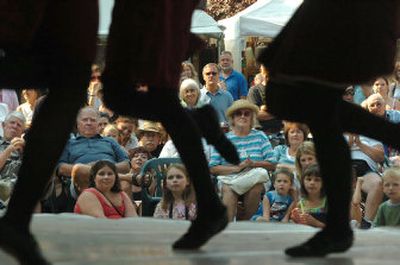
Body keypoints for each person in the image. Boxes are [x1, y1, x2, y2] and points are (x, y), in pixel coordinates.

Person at [210, 100, 275, 221]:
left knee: (256, 184)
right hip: (230, 178)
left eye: (247, 113)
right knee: (228, 188)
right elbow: (213, 168)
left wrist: (254, 164)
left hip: (253, 178)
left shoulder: (260, 136)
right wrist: (237, 168)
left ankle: (246, 225)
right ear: (232, 118)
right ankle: (228, 228)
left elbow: (272, 164)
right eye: (239, 113)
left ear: (252, 118)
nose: (243, 116)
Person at [57, 107, 130, 200]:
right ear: (77, 123)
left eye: (92, 120)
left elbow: (126, 165)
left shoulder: (110, 141)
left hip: (111, 179)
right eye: (85, 120)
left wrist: (105, 168)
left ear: (98, 123)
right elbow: (61, 168)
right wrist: (95, 169)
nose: (89, 122)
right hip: (83, 182)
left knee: (124, 183)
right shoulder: (68, 143)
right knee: (79, 169)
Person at [247, 64, 282, 134]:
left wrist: (265, 109)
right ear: (262, 72)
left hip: (280, 132)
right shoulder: (254, 90)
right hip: (260, 133)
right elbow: (256, 115)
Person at [0, 112, 26, 205]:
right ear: (3, 125)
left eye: (19, 125)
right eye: (12, 122)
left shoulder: (26, 147)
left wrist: (25, 152)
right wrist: (9, 149)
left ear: (22, 131)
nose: (15, 126)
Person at [290, 164, 327, 228]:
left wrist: (315, 223)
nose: (312, 183)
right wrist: (296, 220)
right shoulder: (300, 203)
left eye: (317, 180)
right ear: (303, 182)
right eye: (308, 179)